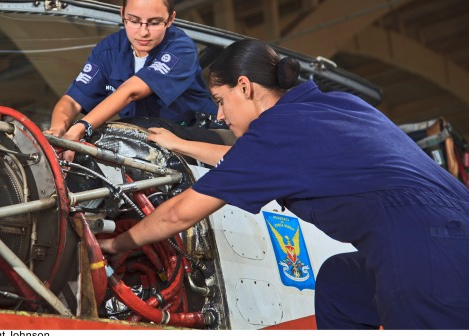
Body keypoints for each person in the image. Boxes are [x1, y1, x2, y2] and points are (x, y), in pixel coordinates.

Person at [98, 38, 469, 330]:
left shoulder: (273, 138)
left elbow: (178, 215)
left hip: (422, 252)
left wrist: (116, 243)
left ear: (244, 86)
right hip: (455, 233)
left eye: (221, 101)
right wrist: (180, 145)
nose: (221, 115)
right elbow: (248, 161)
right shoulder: (335, 106)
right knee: (341, 285)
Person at [46, 0, 218, 159]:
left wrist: (82, 127)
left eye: (154, 23)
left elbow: (131, 91)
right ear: (122, 14)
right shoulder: (108, 51)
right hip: (148, 149)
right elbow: (71, 101)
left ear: (170, 19)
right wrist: (58, 133)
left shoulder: (181, 48)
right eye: (134, 21)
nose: (143, 32)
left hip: (199, 142)